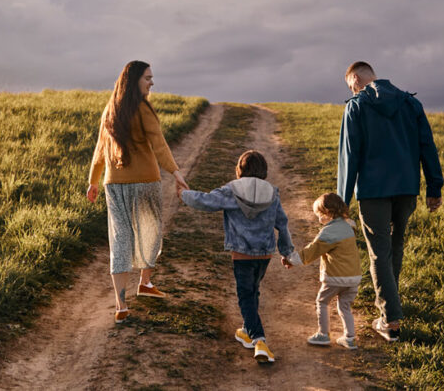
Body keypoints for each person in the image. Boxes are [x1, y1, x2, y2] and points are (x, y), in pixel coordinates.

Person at [338, 61, 444, 342]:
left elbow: (350, 157)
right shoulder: (410, 104)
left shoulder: (356, 106)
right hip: (407, 189)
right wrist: (435, 187)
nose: (353, 90)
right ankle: (390, 307)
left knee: (378, 252)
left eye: (351, 85)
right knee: (395, 247)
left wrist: (341, 202)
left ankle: (390, 320)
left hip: (373, 191)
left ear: (357, 78)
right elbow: (427, 146)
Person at [87, 60, 190, 325]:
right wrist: (176, 173)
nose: (152, 82)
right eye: (148, 78)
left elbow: (100, 149)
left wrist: (94, 181)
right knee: (150, 231)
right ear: (134, 81)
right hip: (145, 182)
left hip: (114, 184)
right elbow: (159, 144)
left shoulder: (110, 109)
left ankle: (122, 304)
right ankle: (144, 282)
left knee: (120, 239)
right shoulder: (143, 108)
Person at [180, 150, 298, 364]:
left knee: (245, 295)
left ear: (239, 170)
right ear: (264, 170)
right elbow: (282, 224)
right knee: (253, 290)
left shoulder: (231, 190)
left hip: (242, 254)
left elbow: (206, 201)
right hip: (264, 254)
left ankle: (259, 339)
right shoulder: (272, 193)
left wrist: (184, 195)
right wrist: (287, 252)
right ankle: (246, 329)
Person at [293, 193, 363, 350]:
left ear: (329, 212)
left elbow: (313, 250)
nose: (319, 219)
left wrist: (293, 260)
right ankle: (350, 338)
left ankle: (323, 334)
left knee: (322, 301)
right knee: (345, 306)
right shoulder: (349, 226)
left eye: (320, 215)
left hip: (336, 277)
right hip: (354, 277)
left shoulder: (329, 232)